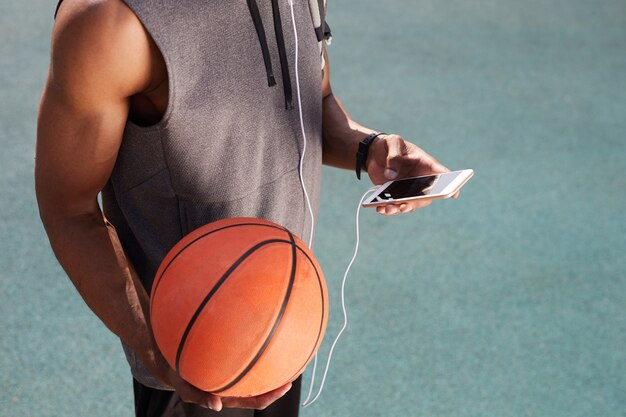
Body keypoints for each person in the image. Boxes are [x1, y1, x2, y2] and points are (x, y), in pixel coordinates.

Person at [35, 0, 454, 416]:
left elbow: (311, 99)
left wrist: (370, 148)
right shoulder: (108, 21)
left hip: (282, 326)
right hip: (195, 360)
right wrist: (160, 352)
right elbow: (69, 210)